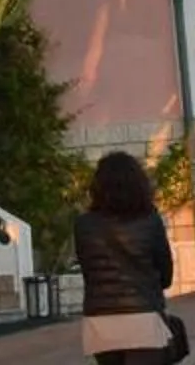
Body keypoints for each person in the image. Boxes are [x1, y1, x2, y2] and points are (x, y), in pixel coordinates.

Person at [74, 151, 174, 365]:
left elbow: (88, 271)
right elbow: (166, 276)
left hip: (100, 320)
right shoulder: (151, 221)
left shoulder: (83, 225)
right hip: (143, 317)